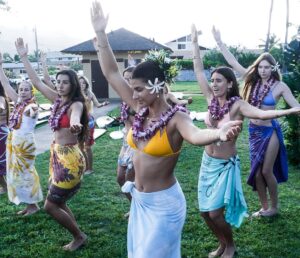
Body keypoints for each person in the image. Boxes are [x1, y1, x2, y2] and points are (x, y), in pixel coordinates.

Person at [90, 2, 243, 257]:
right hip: (141, 202)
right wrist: (102, 36)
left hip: (164, 205)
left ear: (157, 86)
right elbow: (111, 73)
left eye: (139, 89)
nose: (134, 94)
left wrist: (218, 132)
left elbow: (195, 135)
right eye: (133, 89)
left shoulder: (177, 118)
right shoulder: (140, 112)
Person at [192, 24, 300, 258]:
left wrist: (289, 112)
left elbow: (262, 114)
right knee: (204, 211)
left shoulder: (241, 104)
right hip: (210, 161)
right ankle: (227, 239)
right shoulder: (216, 96)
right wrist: (195, 44)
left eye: (219, 81)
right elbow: (200, 71)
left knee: (218, 211)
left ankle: (238, 238)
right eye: (213, 80)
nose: (214, 84)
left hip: (241, 153)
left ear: (229, 84)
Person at [212, 26, 300, 217]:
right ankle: (264, 207)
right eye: (260, 66)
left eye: (267, 67)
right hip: (254, 131)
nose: (263, 70)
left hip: (271, 131)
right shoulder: (252, 82)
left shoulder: (280, 86)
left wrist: (295, 111)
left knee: (267, 171)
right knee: (257, 173)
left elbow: (295, 107)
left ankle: (274, 207)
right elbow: (233, 63)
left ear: (273, 68)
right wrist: (219, 42)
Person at [15, 38, 89, 251]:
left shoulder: (75, 103)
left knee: (50, 205)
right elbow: (37, 83)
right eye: (58, 81)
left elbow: (76, 116)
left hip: (70, 160)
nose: (60, 85)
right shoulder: (57, 100)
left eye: (65, 82)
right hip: (57, 156)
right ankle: (78, 234)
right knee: (60, 201)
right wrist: (23, 57)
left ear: (73, 84)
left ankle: (78, 236)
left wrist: (75, 124)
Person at [0, 52, 43, 215]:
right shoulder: (19, 102)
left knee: (25, 174)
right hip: (14, 142)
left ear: (32, 93)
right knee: (16, 175)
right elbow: (5, 84)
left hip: (25, 144)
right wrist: (0, 66)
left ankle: (33, 205)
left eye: (26, 90)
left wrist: (33, 112)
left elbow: (32, 112)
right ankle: (28, 204)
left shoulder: (31, 106)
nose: (23, 92)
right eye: (21, 89)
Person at [78, 75, 109, 175]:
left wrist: (103, 104)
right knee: (79, 147)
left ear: (86, 84)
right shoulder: (74, 94)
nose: (81, 84)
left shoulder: (90, 94)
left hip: (88, 122)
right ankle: (84, 166)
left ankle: (90, 168)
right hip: (78, 122)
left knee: (87, 147)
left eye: (83, 83)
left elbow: (97, 104)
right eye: (79, 82)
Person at [117, 66, 136, 216]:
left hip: (138, 145)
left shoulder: (141, 99)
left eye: (130, 78)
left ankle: (139, 208)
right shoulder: (125, 100)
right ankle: (134, 206)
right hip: (125, 143)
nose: (127, 81)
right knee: (120, 179)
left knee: (131, 181)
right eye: (125, 78)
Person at [0, 81, 9, 194]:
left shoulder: (1, 98)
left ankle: (7, 187)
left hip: (1, 133)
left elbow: (1, 107)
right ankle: (5, 186)